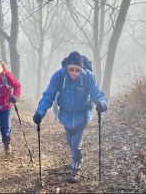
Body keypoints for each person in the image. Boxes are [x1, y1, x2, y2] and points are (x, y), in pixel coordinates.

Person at [33, 51, 108, 183]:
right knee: (70, 140)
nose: (74, 73)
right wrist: (40, 112)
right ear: (66, 67)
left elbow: (97, 92)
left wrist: (102, 103)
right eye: (71, 69)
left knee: (75, 144)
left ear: (81, 69)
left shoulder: (88, 77)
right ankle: (77, 155)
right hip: (66, 115)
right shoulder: (59, 76)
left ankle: (76, 166)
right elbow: (49, 95)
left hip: (82, 114)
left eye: (77, 70)